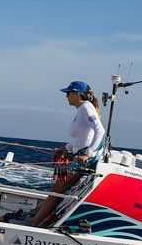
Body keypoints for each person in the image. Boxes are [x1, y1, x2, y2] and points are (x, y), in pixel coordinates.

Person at [30, 80, 105, 227]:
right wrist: (67, 148)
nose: (66, 97)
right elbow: (83, 137)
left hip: (86, 160)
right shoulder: (82, 109)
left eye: (68, 93)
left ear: (77, 94)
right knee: (58, 188)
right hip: (80, 156)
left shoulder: (86, 108)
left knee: (58, 188)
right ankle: (39, 218)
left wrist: (88, 154)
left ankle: (33, 224)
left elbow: (100, 131)